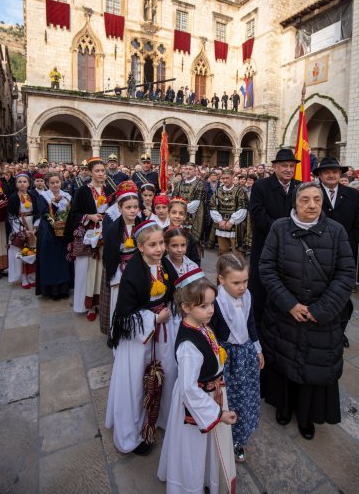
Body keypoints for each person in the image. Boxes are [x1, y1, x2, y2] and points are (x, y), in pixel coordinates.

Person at [259, 182, 356, 440]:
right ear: (294, 202)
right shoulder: (279, 228)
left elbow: (346, 273)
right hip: (285, 314)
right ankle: (283, 407)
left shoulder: (336, 231)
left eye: (316, 199)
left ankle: (306, 417)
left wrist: (321, 309)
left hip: (321, 318)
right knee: (284, 360)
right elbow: (267, 268)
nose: (311, 205)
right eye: (304, 200)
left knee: (313, 367)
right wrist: (289, 304)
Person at [158, 268, 237, 493]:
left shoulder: (200, 325)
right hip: (198, 402)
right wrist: (218, 414)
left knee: (205, 449)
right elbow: (189, 390)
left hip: (211, 394)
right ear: (186, 307)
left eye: (212, 304)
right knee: (193, 449)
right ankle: (190, 484)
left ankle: (205, 477)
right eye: (203, 306)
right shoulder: (188, 347)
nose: (210, 310)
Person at [105, 220, 178, 455]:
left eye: (161, 244)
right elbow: (125, 317)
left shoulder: (163, 264)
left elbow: (174, 289)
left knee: (166, 375)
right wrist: (154, 320)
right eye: (152, 245)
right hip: (139, 340)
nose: (159, 249)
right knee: (138, 383)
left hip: (163, 334)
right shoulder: (133, 273)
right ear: (140, 247)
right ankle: (133, 434)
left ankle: (159, 419)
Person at [211, 254, 263, 462]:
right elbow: (212, 332)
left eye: (245, 281)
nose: (242, 287)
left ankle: (239, 439)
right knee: (227, 399)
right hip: (227, 357)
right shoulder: (215, 302)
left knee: (246, 398)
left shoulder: (247, 296)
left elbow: (251, 324)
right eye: (236, 283)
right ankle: (222, 438)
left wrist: (258, 349)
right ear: (221, 280)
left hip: (246, 355)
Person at [314, 157, 359, 347]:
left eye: (335, 171)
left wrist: (345, 246)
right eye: (326, 171)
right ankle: (319, 330)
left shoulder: (353, 195)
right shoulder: (312, 193)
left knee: (342, 298)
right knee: (320, 294)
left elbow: (358, 226)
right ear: (319, 175)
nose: (332, 174)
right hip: (317, 256)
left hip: (344, 256)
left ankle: (339, 332)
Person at [249, 149, 301, 330]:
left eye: (291, 166)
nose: (288, 169)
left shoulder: (299, 187)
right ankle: (257, 326)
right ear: (275, 167)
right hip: (265, 245)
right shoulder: (261, 186)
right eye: (284, 166)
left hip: (293, 247)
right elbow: (258, 216)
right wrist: (283, 230)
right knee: (261, 285)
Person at [65, 158, 107, 320]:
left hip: (104, 235)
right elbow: (74, 214)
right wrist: (89, 216)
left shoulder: (109, 189)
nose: (101, 173)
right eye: (97, 171)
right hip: (88, 236)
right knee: (86, 270)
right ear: (90, 173)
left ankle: (100, 303)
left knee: (101, 271)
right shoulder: (83, 191)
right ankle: (87, 305)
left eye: (103, 170)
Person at [102, 182, 141, 330]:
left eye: (135, 207)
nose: (133, 211)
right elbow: (110, 253)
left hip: (137, 268)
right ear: (120, 208)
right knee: (119, 301)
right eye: (128, 207)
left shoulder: (141, 224)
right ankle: (118, 331)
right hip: (119, 269)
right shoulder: (113, 229)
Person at [36, 172, 72, 300]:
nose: (55, 185)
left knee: (63, 261)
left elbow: (70, 211)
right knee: (50, 261)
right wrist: (55, 204)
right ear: (47, 184)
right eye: (52, 183)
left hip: (63, 232)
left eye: (57, 182)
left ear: (61, 182)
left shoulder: (67, 195)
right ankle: (52, 291)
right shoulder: (43, 196)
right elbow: (44, 213)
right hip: (48, 233)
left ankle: (64, 289)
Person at [7, 173, 38, 289]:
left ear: (29, 183)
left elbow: (37, 212)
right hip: (20, 226)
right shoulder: (14, 197)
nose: (22, 184)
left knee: (31, 251)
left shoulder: (32, 195)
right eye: (19, 181)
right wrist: (22, 230)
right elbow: (11, 216)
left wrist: (35, 227)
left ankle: (31, 276)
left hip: (31, 225)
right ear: (16, 184)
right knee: (21, 251)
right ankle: (23, 277)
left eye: (25, 181)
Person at [209, 169, 248, 255]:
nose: (225, 180)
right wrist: (220, 220)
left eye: (227, 178)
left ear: (232, 178)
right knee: (223, 252)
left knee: (237, 253)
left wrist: (231, 221)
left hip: (235, 226)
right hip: (221, 224)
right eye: (223, 178)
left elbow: (243, 207)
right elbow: (213, 206)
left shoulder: (240, 191)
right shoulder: (218, 190)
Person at [173, 162, 206, 245]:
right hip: (180, 215)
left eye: (190, 169)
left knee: (192, 242)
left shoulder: (200, 184)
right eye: (186, 169)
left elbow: (197, 203)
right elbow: (174, 199)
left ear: (195, 171)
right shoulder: (179, 183)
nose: (187, 171)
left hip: (194, 216)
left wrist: (181, 208)